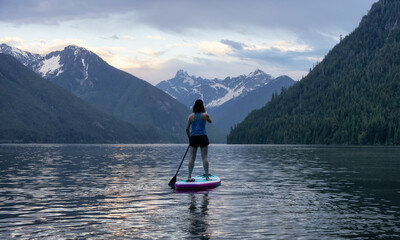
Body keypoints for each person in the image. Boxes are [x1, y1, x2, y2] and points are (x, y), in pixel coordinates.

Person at [185, 99, 212, 181]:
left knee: (192, 158)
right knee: (204, 157)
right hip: (203, 136)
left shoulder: (190, 116)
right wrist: (207, 117)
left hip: (194, 137)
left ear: (194, 106)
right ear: (202, 106)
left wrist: (189, 138)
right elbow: (210, 122)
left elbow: (186, 129)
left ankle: (189, 176)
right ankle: (207, 176)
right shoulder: (205, 115)